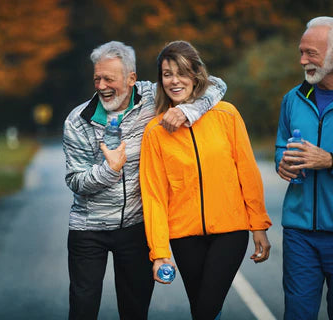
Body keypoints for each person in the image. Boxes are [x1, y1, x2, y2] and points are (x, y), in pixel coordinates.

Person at [63, 40, 226, 320]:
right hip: (88, 229)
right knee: (83, 308)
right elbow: (75, 180)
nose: (101, 85)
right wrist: (109, 170)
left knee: (135, 310)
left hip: (137, 228)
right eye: (97, 78)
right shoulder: (77, 121)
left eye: (109, 79)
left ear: (131, 79)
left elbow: (216, 85)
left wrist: (188, 111)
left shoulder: (153, 97)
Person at [140, 41, 272, 319]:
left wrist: (258, 224)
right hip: (184, 236)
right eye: (167, 74)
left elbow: (247, 172)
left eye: (182, 72)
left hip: (230, 231)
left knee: (206, 309)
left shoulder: (227, 115)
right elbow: (154, 195)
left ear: (197, 75)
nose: (174, 80)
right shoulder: (155, 131)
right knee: (203, 306)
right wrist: (160, 251)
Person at [275, 16, 333, 320]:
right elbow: (280, 147)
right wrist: (282, 163)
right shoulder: (292, 99)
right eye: (301, 52)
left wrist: (330, 160)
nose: (302, 60)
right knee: (297, 314)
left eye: (311, 53)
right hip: (299, 232)